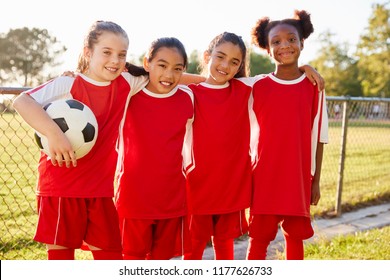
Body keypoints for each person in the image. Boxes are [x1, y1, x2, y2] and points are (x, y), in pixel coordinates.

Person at [12, 20, 148, 260]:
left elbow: (165, 72)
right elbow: (22, 101)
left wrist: (213, 81)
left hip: (100, 190)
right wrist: (54, 135)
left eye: (121, 54)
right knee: (62, 258)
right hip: (60, 187)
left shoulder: (126, 83)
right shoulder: (69, 83)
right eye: (107, 52)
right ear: (88, 52)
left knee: (112, 256)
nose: (115, 60)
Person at [184, 32, 324, 260]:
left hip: (231, 186)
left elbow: (281, 77)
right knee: (195, 245)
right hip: (197, 186)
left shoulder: (243, 88)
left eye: (234, 62)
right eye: (219, 57)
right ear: (207, 56)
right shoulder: (189, 93)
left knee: (224, 243)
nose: (225, 65)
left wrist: (305, 68)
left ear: (240, 66)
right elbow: (168, 78)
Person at [247, 10, 329, 260]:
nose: (285, 45)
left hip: (299, 176)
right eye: (276, 42)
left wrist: (315, 180)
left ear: (302, 42)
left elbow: (319, 136)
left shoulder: (315, 86)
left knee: (294, 237)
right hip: (264, 177)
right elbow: (213, 82)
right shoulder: (256, 86)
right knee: (259, 239)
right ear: (268, 49)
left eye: (291, 39)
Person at [115, 37, 195, 260]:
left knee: (161, 262)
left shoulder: (188, 98)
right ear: (147, 63)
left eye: (177, 69)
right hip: (134, 198)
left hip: (172, 198)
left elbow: (212, 86)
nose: (169, 75)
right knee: (131, 259)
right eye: (162, 65)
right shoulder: (130, 93)